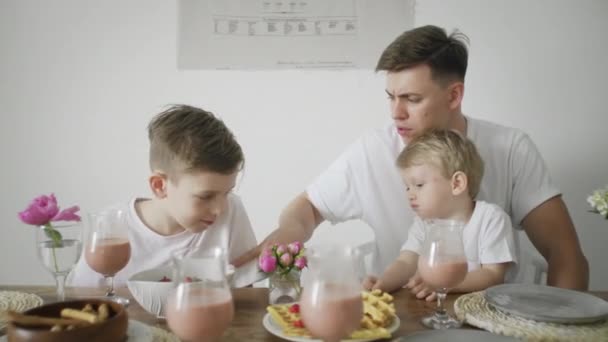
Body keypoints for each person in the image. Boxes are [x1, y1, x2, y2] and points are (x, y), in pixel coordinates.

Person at [234, 25, 589, 290]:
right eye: (390, 97)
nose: (396, 113)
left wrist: (558, 327)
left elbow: (565, 254)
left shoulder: (511, 148)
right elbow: (306, 208)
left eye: (412, 99)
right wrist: (290, 232)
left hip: (499, 315)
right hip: (406, 312)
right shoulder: (373, 150)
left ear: (454, 96)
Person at [71, 105, 260, 288]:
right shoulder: (112, 225)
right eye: (206, 196)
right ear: (160, 186)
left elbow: (245, 291)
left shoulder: (231, 210)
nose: (220, 208)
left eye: (227, 192)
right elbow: (80, 296)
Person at [362, 129, 517, 300]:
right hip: (439, 312)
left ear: (457, 184)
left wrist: (444, 285)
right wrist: (382, 285)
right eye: (407, 187)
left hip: (485, 316)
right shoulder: (424, 224)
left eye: (419, 185)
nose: (410, 194)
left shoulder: (490, 219)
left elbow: (493, 275)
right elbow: (406, 262)